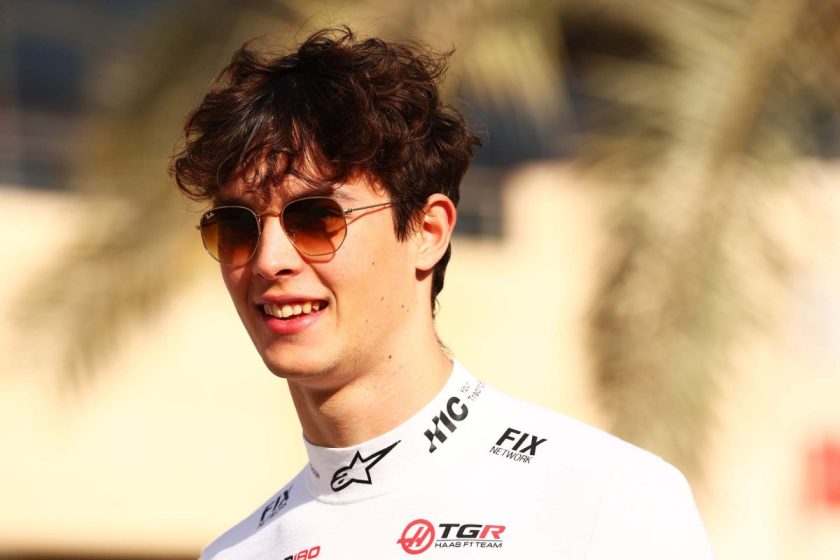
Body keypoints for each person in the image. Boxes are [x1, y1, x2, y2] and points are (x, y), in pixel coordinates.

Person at [171, 27, 714, 559]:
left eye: (315, 219)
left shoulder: (607, 502)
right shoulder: (236, 552)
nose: (269, 260)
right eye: (236, 227)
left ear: (427, 232)